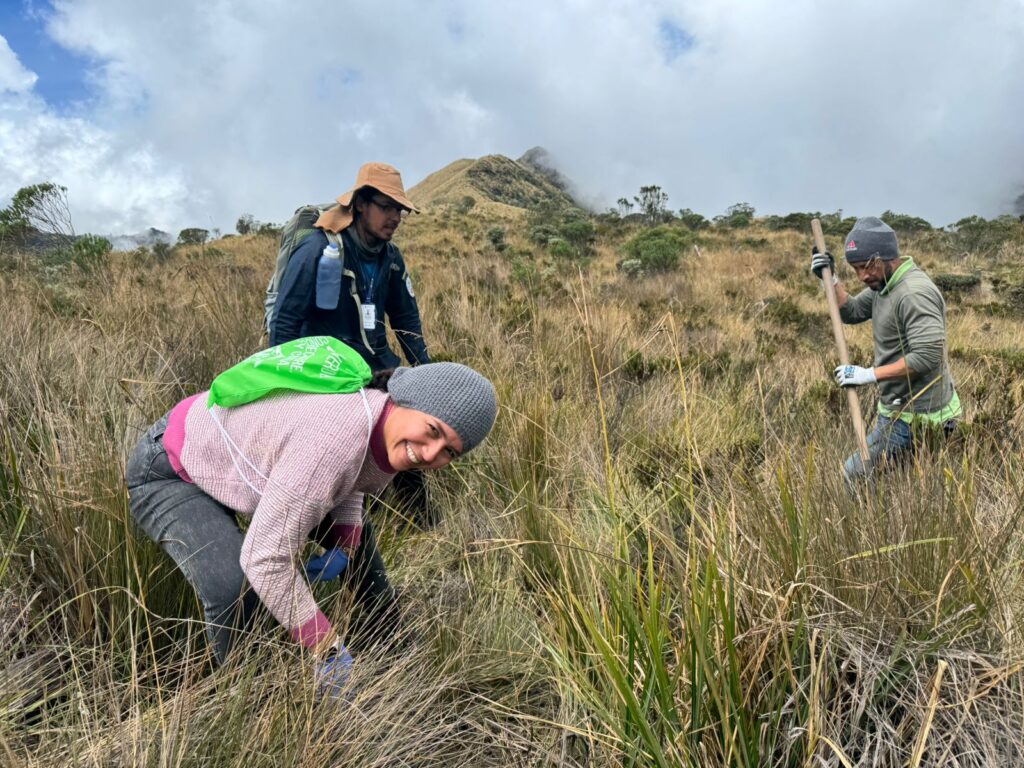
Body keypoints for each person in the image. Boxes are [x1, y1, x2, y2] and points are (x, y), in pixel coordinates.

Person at [126, 362, 497, 696]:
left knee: (359, 544)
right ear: (404, 399)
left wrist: (347, 544)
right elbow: (264, 558)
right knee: (233, 588)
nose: (431, 454)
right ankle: (251, 705)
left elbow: (353, 476)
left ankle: (392, 645)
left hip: (243, 463)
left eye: (449, 451)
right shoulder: (334, 436)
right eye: (432, 430)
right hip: (172, 468)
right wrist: (325, 646)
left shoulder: (381, 420)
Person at [268, 162, 434, 649]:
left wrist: (425, 375)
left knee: (411, 435)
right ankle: (345, 547)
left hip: (372, 363)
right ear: (360, 203)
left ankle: (420, 522)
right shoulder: (319, 250)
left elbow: (405, 320)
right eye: (385, 206)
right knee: (337, 466)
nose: (394, 217)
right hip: (322, 372)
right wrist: (287, 388)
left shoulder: (391, 258)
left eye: (399, 209)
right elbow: (286, 322)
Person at [810, 216, 962, 487]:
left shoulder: (912, 293)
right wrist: (830, 279)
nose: (862, 276)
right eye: (855, 269)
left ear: (884, 257)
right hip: (900, 409)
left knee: (855, 474)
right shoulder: (885, 287)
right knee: (906, 482)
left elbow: (928, 356)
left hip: (919, 416)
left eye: (866, 267)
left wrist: (868, 375)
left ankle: (861, 529)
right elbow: (852, 311)